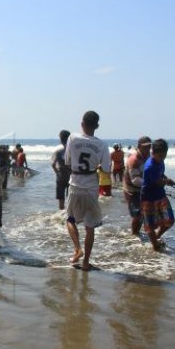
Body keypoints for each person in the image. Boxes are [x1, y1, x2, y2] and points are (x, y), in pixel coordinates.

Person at [64, 111, 111, 271]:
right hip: (91, 187)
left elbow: (68, 161)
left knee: (70, 219)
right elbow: (105, 168)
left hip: (75, 184)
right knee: (89, 226)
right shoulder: (102, 145)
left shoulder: (72, 138)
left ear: (82, 123)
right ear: (97, 126)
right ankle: (86, 263)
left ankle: (77, 249)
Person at [140, 139, 175, 251]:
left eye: (164, 156)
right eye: (160, 156)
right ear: (153, 153)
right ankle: (155, 245)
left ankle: (157, 236)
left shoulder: (160, 161)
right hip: (148, 198)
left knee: (170, 220)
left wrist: (165, 177)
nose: (162, 158)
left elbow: (160, 174)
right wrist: (167, 181)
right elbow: (158, 181)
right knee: (149, 225)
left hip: (160, 194)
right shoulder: (149, 167)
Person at [123, 136, 152, 235]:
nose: (148, 149)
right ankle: (134, 234)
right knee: (138, 214)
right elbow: (135, 180)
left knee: (144, 213)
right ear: (139, 146)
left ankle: (137, 232)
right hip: (131, 190)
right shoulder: (134, 160)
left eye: (149, 146)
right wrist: (151, 183)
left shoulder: (149, 157)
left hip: (143, 189)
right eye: (145, 147)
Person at [51, 129, 71, 210]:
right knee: (70, 200)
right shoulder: (73, 151)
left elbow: (53, 164)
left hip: (61, 177)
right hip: (71, 177)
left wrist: (57, 173)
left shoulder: (58, 152)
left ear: (61, 140)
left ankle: (61, 215)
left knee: (61, 200)